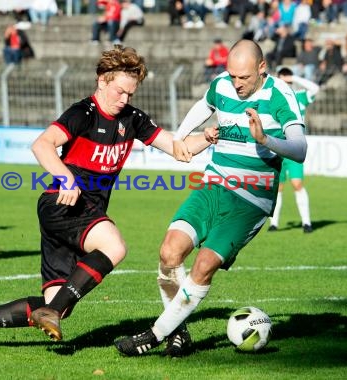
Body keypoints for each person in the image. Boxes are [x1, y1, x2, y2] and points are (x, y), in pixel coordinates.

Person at [0, 46, 208, 352]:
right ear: (102, 81)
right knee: (114, 246)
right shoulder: (82, 113)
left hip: (81, 214)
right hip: (62, 206)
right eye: (120, 91)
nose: (124, 100)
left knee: (59, 302)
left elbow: (179, 149)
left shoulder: (133, 118)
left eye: (130, 94)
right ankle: (51, 312)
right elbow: (42, 145)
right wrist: (65, 177)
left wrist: (209, 136)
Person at [114, 39, 307, 357]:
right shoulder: (222, 85)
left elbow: (300, 150)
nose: (237, 84)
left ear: (262, 69)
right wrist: (179, 136)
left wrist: (265, 138)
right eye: (232, 76)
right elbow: (205, 106)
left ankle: (154, 334)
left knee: (203, 265)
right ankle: (179, 333)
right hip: (213, 184)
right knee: (169, 253)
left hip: (251, 200)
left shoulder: (280, 95)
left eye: (243, 78)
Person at [268, 67, 316, 233]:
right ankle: (273, 223)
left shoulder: (300, 96)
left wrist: (295, 78)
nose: (287, 82)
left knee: (297, 184)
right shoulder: (274, 97)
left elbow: (315, 89)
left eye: (288, 79)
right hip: (278, 147)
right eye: (284, 78)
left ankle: (306, 223)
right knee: (278, 186)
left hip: (294, 147)